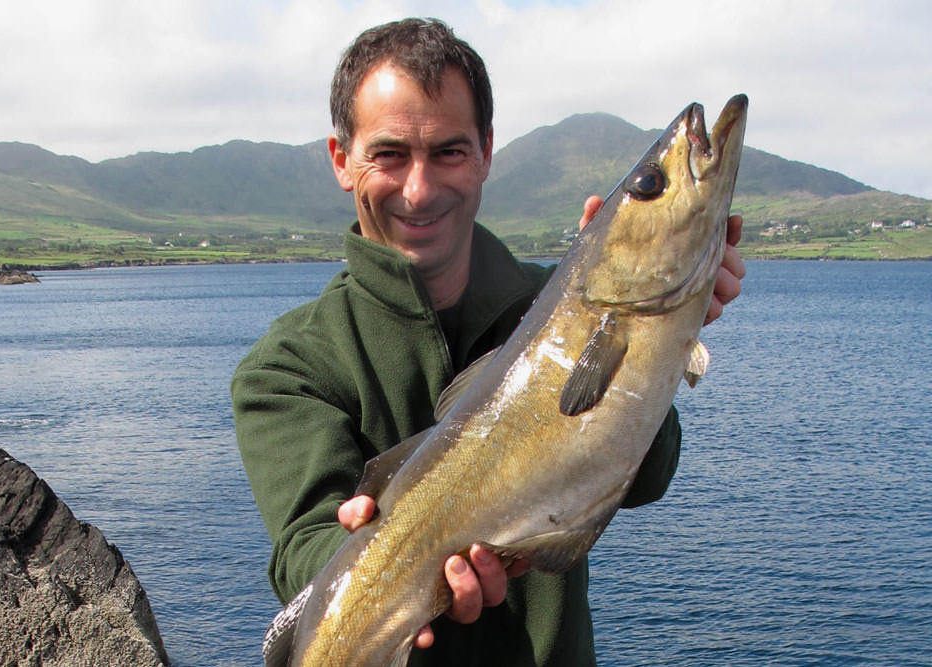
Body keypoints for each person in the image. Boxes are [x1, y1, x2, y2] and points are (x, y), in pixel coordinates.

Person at [232, 17, 745, 666]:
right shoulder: (285, 368)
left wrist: (666, 340)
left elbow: (647, 471)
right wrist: (375, 551)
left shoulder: (551, 305)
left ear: (485, 152)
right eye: (389, 154)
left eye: (448, 151)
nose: (419, 190)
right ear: (343, 159)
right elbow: (303, 553)